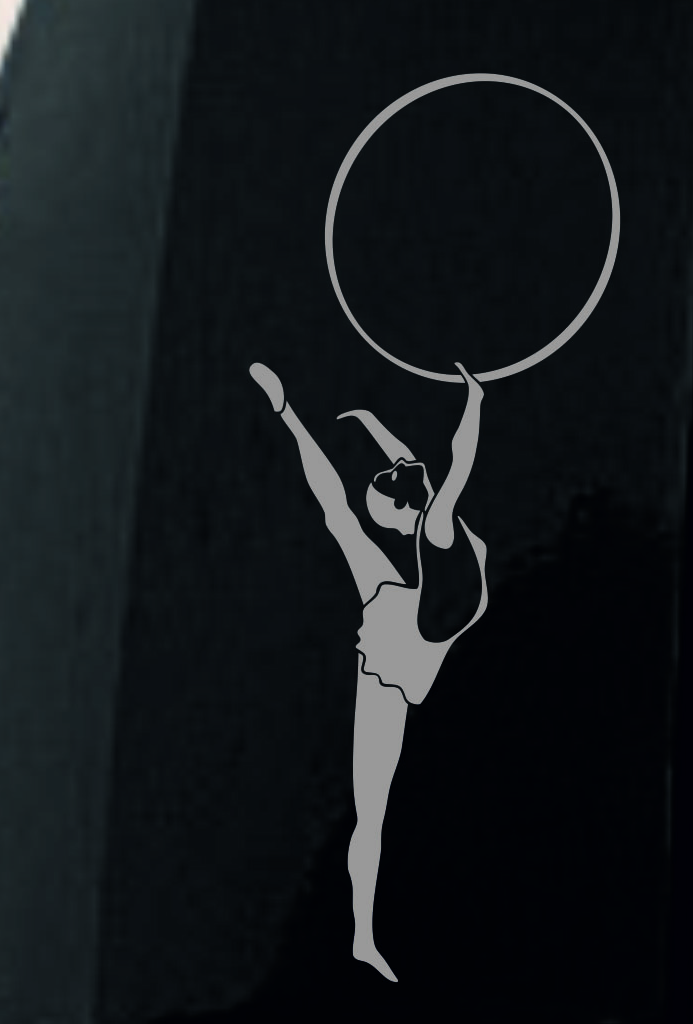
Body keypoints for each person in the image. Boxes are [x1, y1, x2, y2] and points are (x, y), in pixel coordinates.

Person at [249, 360, 488, 982]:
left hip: (410, 646)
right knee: (371, 812)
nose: (389, 478)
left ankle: (366, 933)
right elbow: (437, 466)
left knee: (376, 813)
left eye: (381, 490)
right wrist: (463, 404)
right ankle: (362, 936)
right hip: (394, 658)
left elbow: (432, 464)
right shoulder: (434, 530)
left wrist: (461, 406)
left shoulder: (434, 526)